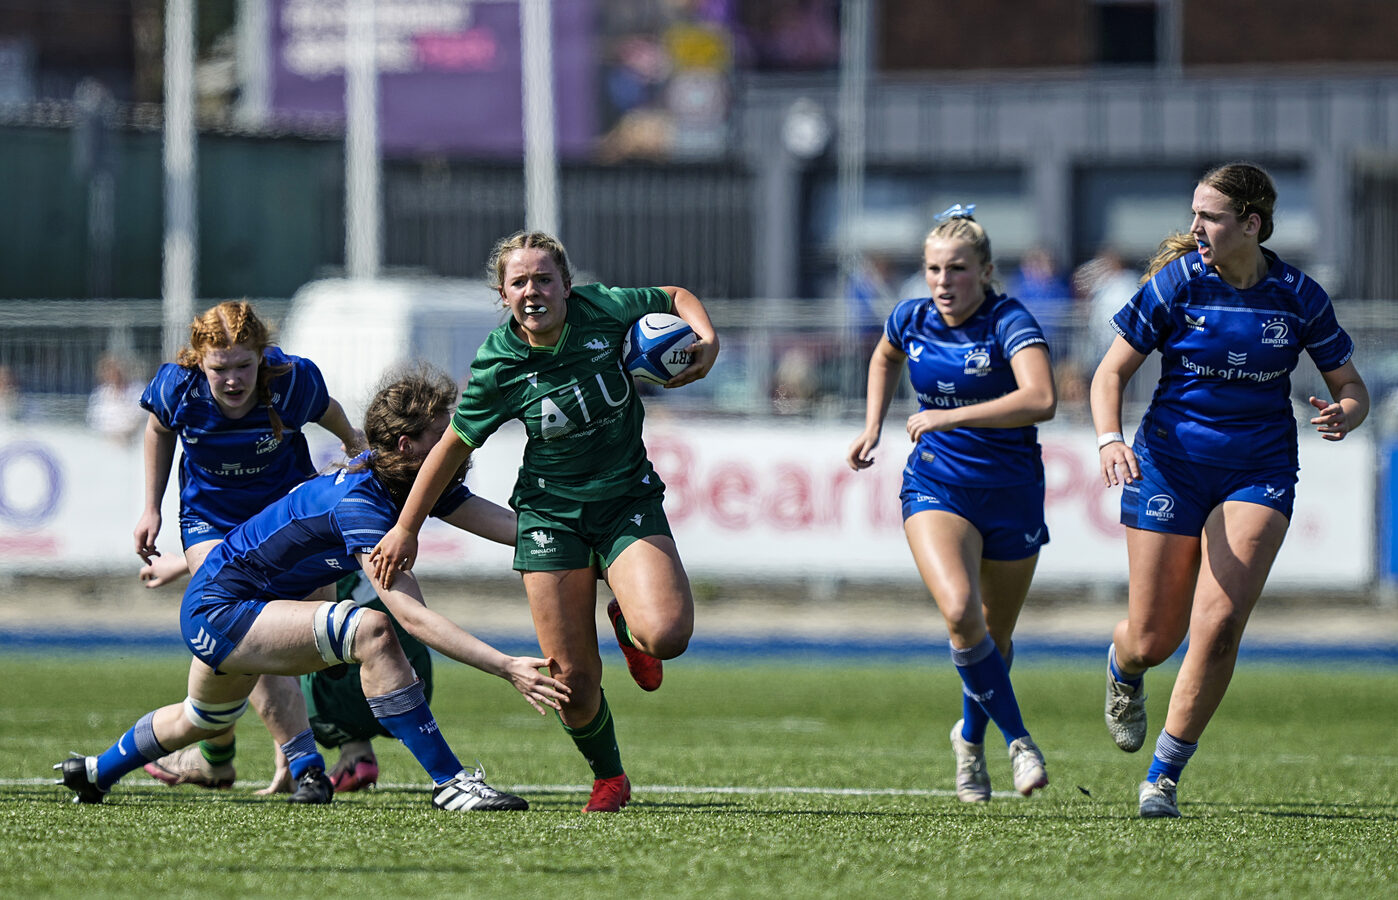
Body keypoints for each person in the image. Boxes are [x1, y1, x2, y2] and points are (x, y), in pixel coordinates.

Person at [57, 366, 570, 808]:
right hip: (222, 609)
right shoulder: (362, 505)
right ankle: (451, 784)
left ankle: (95, 771)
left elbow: (514, 529)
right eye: (445, 435)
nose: (459, 443)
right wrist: (505, 666)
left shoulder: (408, 480)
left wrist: (590, 534)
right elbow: (411, 617)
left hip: (230, 602)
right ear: (406, 446)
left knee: (201, 718)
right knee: (372, 631)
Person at [369, 230, 719, 812]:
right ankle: (610, 777)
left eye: (544, 279)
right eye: (519, 282)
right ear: (503, 294)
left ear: (566, 286)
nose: (532, 291)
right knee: (572, 683)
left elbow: (676, 296)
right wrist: (407, 528)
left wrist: (707, 341)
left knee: (667, 636)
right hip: (550, 518)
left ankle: (629, 623)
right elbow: (451, 448)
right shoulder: (498, 364)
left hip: (624, 499)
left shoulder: (602, 309)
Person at [1090, 162, 1369, 819]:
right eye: (1194, 213)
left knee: (1217, 627)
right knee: (1153, 638)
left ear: (1251, 224)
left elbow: (1350, 386)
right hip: (1170, 465)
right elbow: (1108, 374)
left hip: (1258, 469)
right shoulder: (1176, 284)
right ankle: (1125, 668)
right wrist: (1108, 439)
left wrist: (1347, 413)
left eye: (1209, 217)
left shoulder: (1299, 295)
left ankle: (1162, 777)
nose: (1195, 227)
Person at [845, 203, 1056, 803]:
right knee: (962, 613)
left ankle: (969, 738)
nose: (943, 281)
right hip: (937, 486)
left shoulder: (1008, 320)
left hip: (1012, 492)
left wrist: (949, 416)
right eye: (934, 268)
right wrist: (872, 425)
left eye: (957, 269)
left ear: (985, 272)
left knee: (994, 637)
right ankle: (1019, 743)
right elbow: (885, 355)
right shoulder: (910, 316)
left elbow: (1041, 398)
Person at [137, 490, 518, 795]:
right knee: (320, 630)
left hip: (349, 684)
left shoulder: (320, 511)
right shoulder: (369, 506)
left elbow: (253, 545)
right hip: (412, 680)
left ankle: (229, 760)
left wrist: (506, 666)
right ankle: (355, 752)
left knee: (240, 642)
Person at [132, 300, 365, 794]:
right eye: (220, 369)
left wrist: (353, 444)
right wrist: (151, 507)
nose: (233, 380)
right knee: (239, 626)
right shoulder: (177, 387)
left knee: (309, 644)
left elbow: (328, 411)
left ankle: (219, 758)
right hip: (210, 521)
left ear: (262, 356)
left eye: (244, 365)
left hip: (286, 515)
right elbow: (158, 429)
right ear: (199, 361)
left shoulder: (292, 381)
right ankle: (302, 762)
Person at [85, 353, 147, 443]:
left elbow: (141, 416)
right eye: (107, 372)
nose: (112, 374)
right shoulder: (101, 394)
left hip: (134, 439)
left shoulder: (138, 390)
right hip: (108, 440)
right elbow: (96, 421)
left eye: (115, 371)